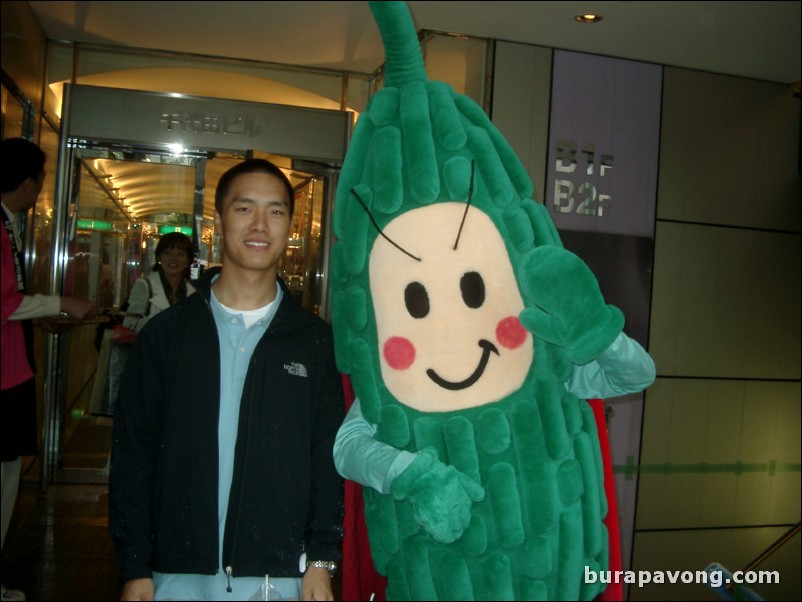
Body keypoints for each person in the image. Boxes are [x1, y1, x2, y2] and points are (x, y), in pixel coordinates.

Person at [109, 158, 344, 602]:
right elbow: (133, 459)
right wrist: (134, 566)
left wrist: (323, 562)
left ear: (290, 226)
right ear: (217, 221)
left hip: (279, 576)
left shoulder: (314, 343)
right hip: (176, 573)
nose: (260, 224)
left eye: (275, 211)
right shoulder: (167, 337)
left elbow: (326, 461)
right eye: (244, 209)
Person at [1, 137, 96, 602]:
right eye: (39, 181)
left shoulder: (8, 224)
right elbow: (4, 299)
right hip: (4, 377)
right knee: (4, 475)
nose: (39, 191)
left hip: (11, 368)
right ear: (27, 182)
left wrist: (37, 316)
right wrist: (62, 302)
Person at [123, 231, 197, 333]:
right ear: (158, 257)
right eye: (167, 253)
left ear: (188, 260)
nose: (173, 258)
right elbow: (129, 324)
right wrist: (163, 322)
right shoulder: (144, 285)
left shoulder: (192, 292)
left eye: (180, 254)